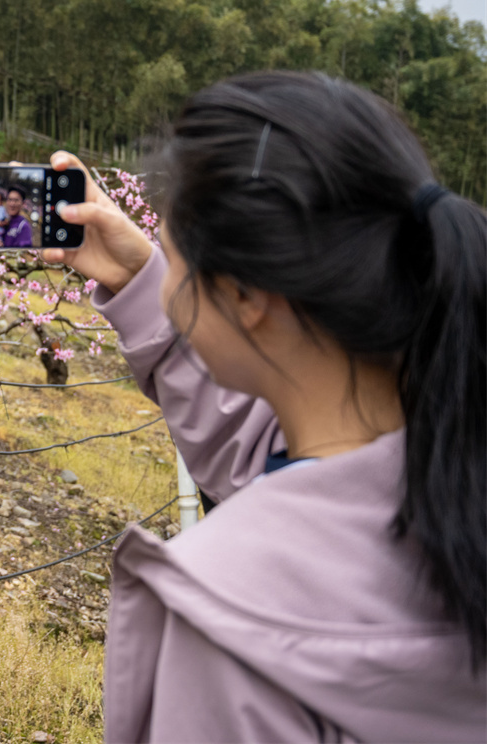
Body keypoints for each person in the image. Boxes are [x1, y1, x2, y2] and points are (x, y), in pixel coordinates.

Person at [40, 71, 485, 742]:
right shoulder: (451, 458)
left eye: (174, 254)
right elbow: (270, 457)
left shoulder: (229, 610)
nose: (169, 289)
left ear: (245, 293)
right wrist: (137, 279)